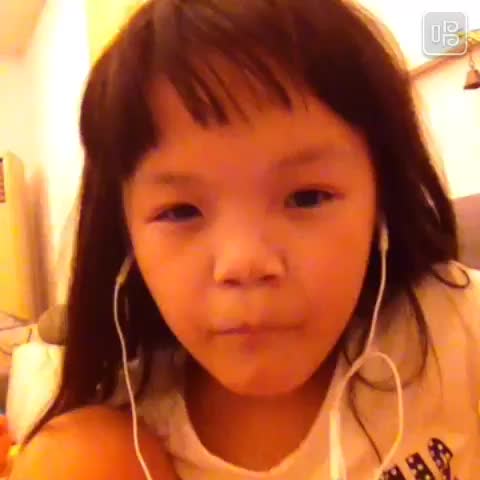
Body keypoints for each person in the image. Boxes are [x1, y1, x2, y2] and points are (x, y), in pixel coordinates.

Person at [10, 0, 480, 479]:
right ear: (126, 239)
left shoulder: (457, 329)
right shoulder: (107, 447)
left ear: (381, 200)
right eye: (181, 211)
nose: (245, 263)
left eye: (307, 197)